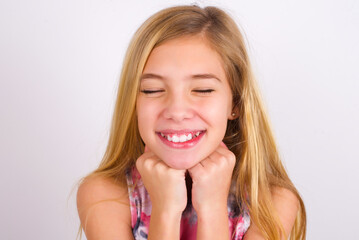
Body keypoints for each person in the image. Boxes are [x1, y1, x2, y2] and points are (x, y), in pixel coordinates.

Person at [76, 4, 306, 240]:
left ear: (235, 103)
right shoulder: (103, 195)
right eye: (152, 90)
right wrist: (166, 211)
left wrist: (212, 207)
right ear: (133, 104)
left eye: (203, 89)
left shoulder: (271, 202)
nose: (177, 111)